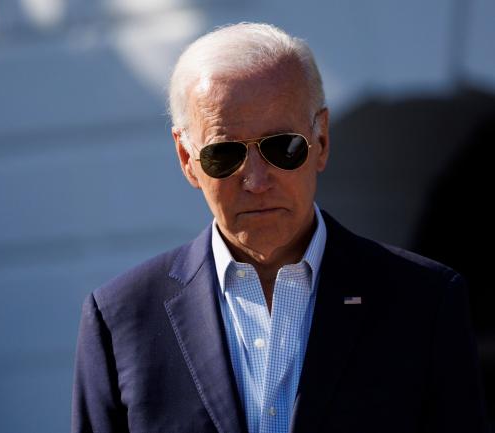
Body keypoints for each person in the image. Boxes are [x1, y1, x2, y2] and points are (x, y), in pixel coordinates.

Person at [71, 22, 489, 433]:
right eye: (224, 154)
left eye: (282, 147)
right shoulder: (120, 320)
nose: (255, 180)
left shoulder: (424, 303)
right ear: (187, 159)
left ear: (321, 140)